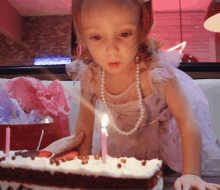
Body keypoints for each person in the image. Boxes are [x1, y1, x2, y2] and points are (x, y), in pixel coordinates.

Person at [59, 0, 220, 189]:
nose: (111, 50)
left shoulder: (156, 73)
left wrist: (191, 174)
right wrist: (83, 167)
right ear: (82, 36)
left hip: (167, 140)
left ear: (143, 27)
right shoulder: (91, 76)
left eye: (124, 34)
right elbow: (84, 125)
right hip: (125, 139)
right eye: (96, 37)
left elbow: (187, 122)